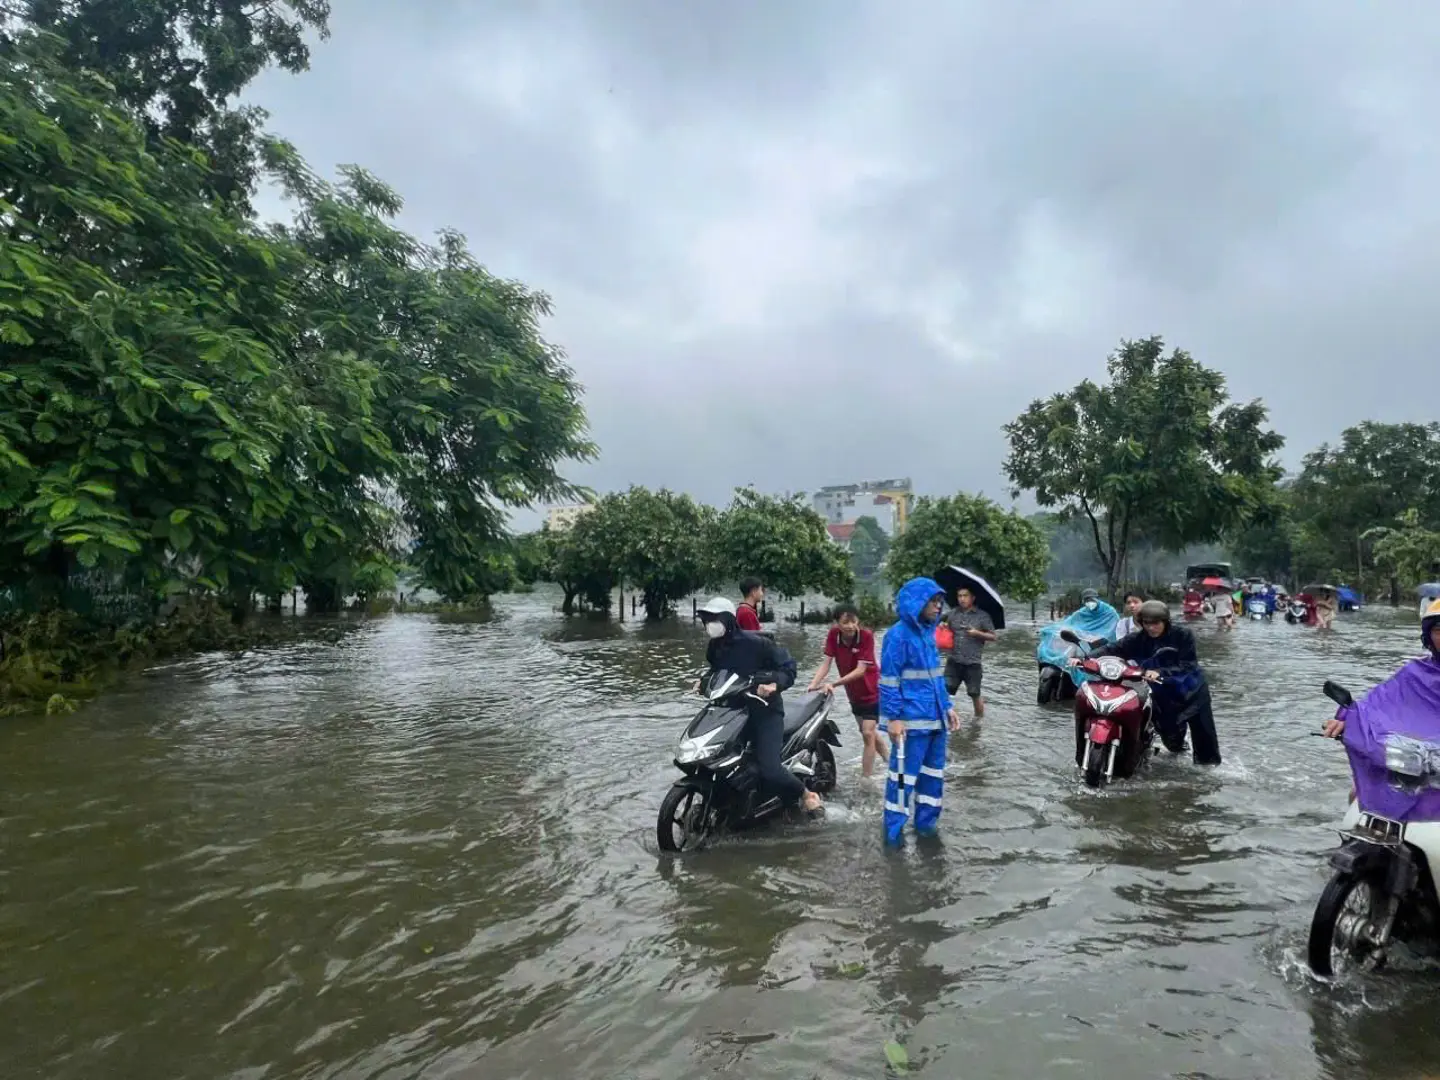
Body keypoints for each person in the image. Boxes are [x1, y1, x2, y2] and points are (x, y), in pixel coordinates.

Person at [697, 597, 822, 812]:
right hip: (732, 711)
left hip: (764, 711)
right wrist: (703, 681)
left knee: (770, 769)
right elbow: (716, 671)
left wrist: (774, 684)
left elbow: (788, 668)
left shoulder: (757, 643)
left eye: (714, 619)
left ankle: (806, 794)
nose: (710, 624)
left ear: (727, 620)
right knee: (713, 756)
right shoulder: (714, 647)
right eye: (707, 619)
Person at [1322, 600, 1440, 815]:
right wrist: (1347, 720)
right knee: (1357, 794)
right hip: (1423, 765)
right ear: (1428, 635)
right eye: (1439, 629)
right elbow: (1376, 706)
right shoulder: (1413, 674)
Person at [1078, 599, 1221, 765]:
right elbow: (1112, 649)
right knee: (1170, 737)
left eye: (1156, 623)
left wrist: (1160, 672)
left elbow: (1188, 664)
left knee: (1204, 736)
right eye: (1147, 623)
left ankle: (1208, 770)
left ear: (1165, 622)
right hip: (1162, 692)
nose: (1151, 628)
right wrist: (1085, 658)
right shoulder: (1137, 639)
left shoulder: (1183, 635)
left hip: (1191, 689)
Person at [881, 578, 961, 843]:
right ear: (917, 603)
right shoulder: (898, 635)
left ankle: (926, 830)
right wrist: (894, 718)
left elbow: (935, 677)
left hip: (936, 721)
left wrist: (948, 707)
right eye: (933, 601)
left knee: (932, 780)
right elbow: (889, 680)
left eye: (940, 602)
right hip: (911, 724)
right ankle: (893, 838)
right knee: (902, 783)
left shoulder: (928, 634)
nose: (938, 607)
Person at [806, 603, 887, 778]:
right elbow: (826, 664)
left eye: (854, 621)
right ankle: (892, 762)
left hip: (872, 689)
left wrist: (832, 684)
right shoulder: (833, 635)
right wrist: (813, 684)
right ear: (836, 623)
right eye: (845, 622)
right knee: (868, 733)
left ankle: (867, 779)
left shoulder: (866, 636)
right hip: (854, 693)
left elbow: (860, 670)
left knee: (867, 733)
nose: (850, 626)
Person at [944, 586, 997, 719]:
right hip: (953, 660)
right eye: (959, 596)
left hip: (973, 662)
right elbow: (942, 627)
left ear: (972, 598)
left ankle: (978, 724)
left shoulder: (982, 616)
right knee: (943, 691)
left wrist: (977, 633)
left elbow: (993, 636)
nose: (962, 599)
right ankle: (944, 720)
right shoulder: (952, 614)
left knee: (975, 694)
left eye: (965, 596)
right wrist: (942, 627)